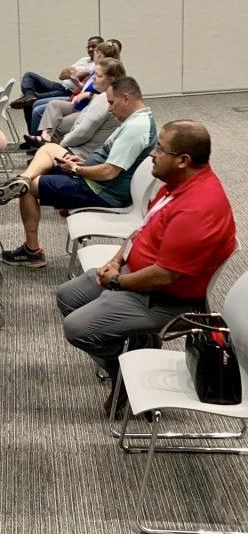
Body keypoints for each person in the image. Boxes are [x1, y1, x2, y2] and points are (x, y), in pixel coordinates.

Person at [56, 121, 236, 412]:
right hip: (134, 275)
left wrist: (116, 282)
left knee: (76, 328)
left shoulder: (198, 207)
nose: (151, 154)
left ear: (183, 160)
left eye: (159, 149)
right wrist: (116, 261)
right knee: (67, 296)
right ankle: (135, 343)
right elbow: (141, 229)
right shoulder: (175, 185)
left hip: (164, 299)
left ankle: (124, 378)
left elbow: (163, 275)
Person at [0, 77, 156, 268]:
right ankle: (24, 178)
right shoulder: (140, 120)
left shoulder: (135, 128)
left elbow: (109, 172)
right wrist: (84, 162)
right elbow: (112, 162)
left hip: (100, 190)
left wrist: (77, 169)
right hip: (95, 177)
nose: (109, 108)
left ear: (126, 98)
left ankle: (32, 251)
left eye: (111, 102)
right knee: (49, 149)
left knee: (29, 189)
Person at [23, 57, 124, 154]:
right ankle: (45, 146)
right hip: (78, 109)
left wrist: (63, 145)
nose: (94, 79)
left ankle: (46, 149)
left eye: (98, 76)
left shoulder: (103, 100)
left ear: (111, 79)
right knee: (50, 106)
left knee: (57, 126)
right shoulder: (104, 96)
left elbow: (82, 133)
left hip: (83, 153)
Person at [25, 39, 121, 136]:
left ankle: (43, 141)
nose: (92, 52)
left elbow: (106, 98)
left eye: (95, 51)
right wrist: (78, 83)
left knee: (53, 123)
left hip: (84, 107)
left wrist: (88, 94)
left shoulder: (105, 73)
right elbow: (65, 75)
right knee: (49, 103)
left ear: (99, 55)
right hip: (75, 99)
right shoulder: (94, 68)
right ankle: (41, 139)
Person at [10, 36, 102, 111]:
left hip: (69, 92)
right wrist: (76, 73)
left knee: (29, 103)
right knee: (29, 75)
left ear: (101, 46)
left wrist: (73, 72)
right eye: (88, 47)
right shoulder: (83, 59)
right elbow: (62, 75)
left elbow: (78, 75)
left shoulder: (98, 64)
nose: (90, 49)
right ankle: (29, 94)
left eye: (93, 46)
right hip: (60, 86)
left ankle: (33, 132)